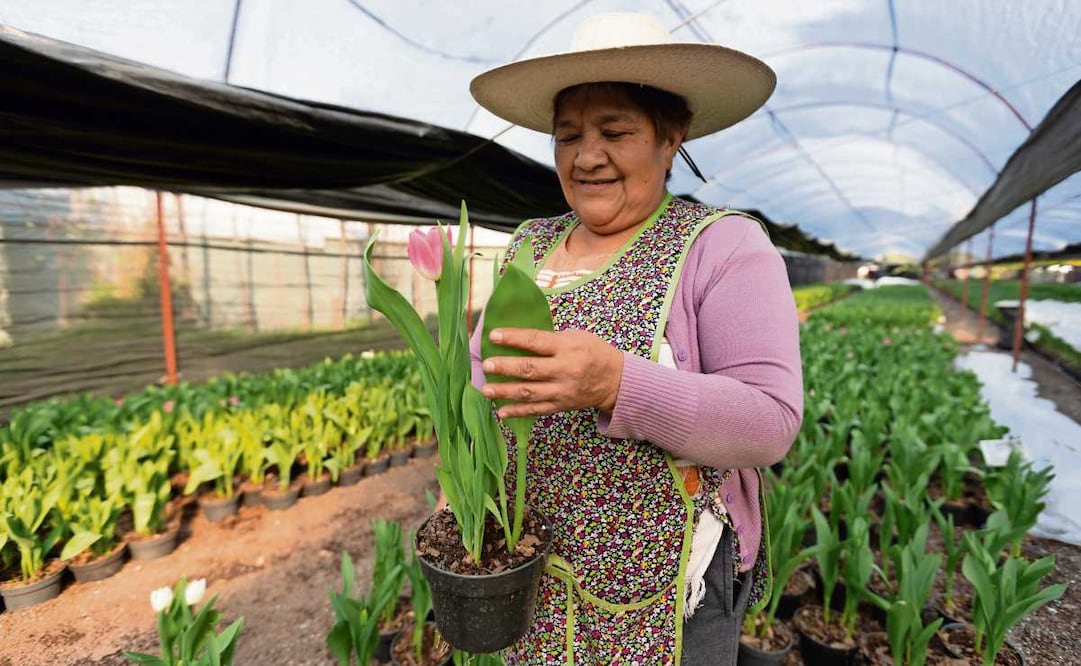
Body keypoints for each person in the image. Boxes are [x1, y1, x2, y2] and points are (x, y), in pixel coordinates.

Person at [468, 12, 803, 665]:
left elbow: (768, 424)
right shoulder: (529, 243)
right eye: (567, 137)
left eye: (614, 131)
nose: (586, 156)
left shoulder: (720, 246)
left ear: (671, 136)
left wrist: (618, 384)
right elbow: (486, 377)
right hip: (526, 565)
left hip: (665, 582)